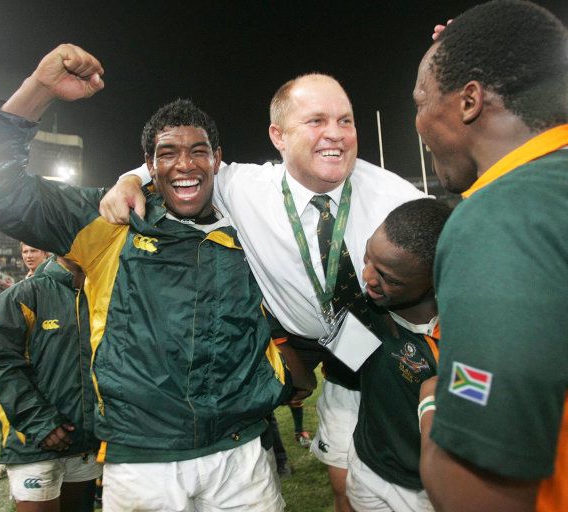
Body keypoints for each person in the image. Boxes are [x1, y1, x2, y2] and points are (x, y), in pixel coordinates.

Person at [0, 44, 290, 511]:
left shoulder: (251, 227)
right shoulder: (109, 222)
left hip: (242, 452)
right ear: (149, 165)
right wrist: (39, 90)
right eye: (167, 153)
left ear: (218, 159)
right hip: (142, 463)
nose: (185, 165)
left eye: (198, 152)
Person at [102, 74, 425, 510]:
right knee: (346, 488)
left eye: (345, 121)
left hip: (396, 352)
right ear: (278, 135)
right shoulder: (245, 187)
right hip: (326, 354)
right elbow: (180, 160)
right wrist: (128, 180)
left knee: (416, 484)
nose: (335, 133)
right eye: (316, 120)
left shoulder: (399, 199)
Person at [412, 2, 568, 511]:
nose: (418, 121)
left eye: (420, 100)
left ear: (469, 100)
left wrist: (431, 399)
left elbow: (476, 495)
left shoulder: (501, 216)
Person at [346, 198, 451, 512]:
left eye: (388, 277)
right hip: (368, 468)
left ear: (434, 280)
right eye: (368, 257)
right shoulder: (364, 310)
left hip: (428, 492)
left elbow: (479, 410)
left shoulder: (467, 337)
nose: (367, 276)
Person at [0, 255, 100, 511]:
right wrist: (40, 423)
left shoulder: (104, 292)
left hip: (85, 444)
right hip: (34, 443)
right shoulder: (22, 295)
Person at [0, 242, 50, 483]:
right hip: (22, 359)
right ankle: (8, 457)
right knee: (8, 400)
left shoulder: (54, 284)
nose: (29, 256)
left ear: (46, 253)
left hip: (46, 364)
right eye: (25, 252)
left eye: (34, 250)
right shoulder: (21, 287)